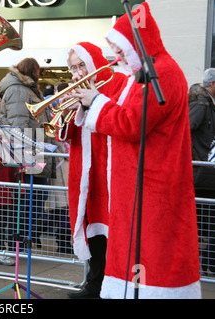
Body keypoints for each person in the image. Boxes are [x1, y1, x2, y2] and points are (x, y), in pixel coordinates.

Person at [71, 2, 201, 298]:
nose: (116, 56)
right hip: (135, 189)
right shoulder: (141, 75)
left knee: (150, 264)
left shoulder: (162, 72)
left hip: (152, 188)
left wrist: (96, 101)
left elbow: (131, 123)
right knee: (130, 261)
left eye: (120, 49)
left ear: (136, 44)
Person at [57, 42, 127, 298]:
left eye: (82, 65)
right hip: (85, 171)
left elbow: (121, 118)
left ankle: (115, 287)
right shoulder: (75, 89)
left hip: (111, 169)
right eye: (73, 67)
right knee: (91, 227)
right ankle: (94, 284)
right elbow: (64, 135)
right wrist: (69, 110)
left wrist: (93, 101)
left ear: (95, 61)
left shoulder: (117, 81)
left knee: (114, 230)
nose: (77, 72)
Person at [0, 57, 54, 250]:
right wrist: (27, 155)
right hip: (29, 154)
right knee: (29, 202)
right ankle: (17, 242)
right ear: (33, 71)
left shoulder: (25, 88)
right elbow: (19, 125)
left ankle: (20, 241)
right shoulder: (18, 89)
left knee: (33, 200)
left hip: (32, 151)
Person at [188, 69, 215, 275]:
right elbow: (185, 129)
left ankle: (207, 261)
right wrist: (195, 158)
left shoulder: (207, 103)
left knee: (205, 220)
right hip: (202, 173)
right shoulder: (202, 103)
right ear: (212, 84)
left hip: (204, 172)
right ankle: (206, 262)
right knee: (202, 219)